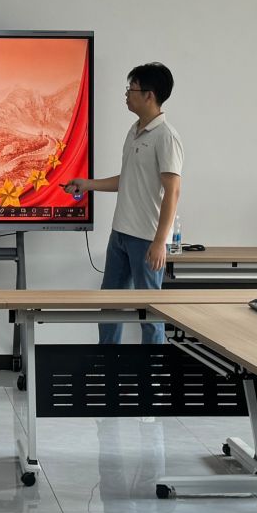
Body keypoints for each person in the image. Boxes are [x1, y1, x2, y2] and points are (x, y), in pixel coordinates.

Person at [65, 62, 182, 346]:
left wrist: (159, 242)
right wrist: (88, 184)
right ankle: (108, 363)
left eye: (132, 89)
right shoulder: (134, 131)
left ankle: (153, 370)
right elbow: (127, 179)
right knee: (109, 306)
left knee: (149, 312)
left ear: (149, 95)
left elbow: (173, 191)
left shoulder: (166, 137)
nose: (127, 94)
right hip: (120, 234)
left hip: (146, 240)